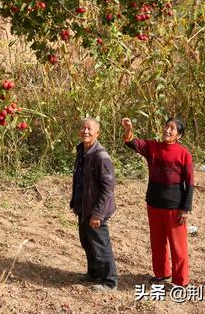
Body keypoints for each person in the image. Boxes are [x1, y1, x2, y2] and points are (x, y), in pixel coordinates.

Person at [121, 116, 194, 287]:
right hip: (153, 203)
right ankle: (162, 273)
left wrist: (185, 208)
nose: (167, 130)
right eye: (166, 126)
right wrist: (127, 129)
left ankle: (180, 281)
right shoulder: (152, 147)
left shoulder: (184, 154)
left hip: (174, 207)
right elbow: (132, 143)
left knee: (178, 246)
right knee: (157, 242)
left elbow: (189, 183)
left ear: (179, 135)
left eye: (172, 129)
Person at [70, 117, 118, 291]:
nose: (86, 131)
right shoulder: (82, 151)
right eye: (83, 128)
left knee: (100, 245)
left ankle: (109, 281)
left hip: (96, 210)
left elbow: (108, 189)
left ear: (97, 133)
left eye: (90, 129)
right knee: (87, 242)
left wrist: (98, 213)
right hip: (84, 207)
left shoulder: (101, 156)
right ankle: (94, 273)